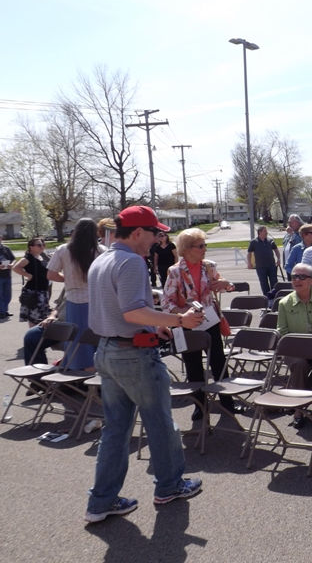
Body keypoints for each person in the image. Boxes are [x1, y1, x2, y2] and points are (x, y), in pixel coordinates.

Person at [85, 205, 205, 524]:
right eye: (154, 233)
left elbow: (122, 312)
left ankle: (100, 502)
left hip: (108, 349)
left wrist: (155, 325)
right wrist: (179, 320)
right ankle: (170, 486)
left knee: (115, 429)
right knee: (160, 423)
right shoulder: (131, 262)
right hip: (132, 354)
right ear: (137, 232)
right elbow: (132, 312)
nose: (156, 239)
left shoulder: (102, 259)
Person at [162, 228, 237, 422]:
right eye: (200, 246)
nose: (204, 249)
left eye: (205, 245)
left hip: (209, 320)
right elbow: (167, 302)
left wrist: (226, 284)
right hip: (187, 323)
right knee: (193, 366)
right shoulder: (175, 271)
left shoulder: (209, 266)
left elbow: (226, 287)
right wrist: (183, 314)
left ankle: (227, 402)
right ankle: (199, 406)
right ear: (187, 249)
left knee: (218, 362)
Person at [276, 262, 312, 428]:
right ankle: (299, 410)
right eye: (294, 276)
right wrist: (300, 347)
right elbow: (282, 331)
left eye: (302, 276)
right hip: (295, 350)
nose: (297, 280)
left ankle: (302, 399)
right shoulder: (284, 303)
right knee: (299, 364)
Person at [46, 219, 106, 371]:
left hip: (74, 300)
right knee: (96, 337)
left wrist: (68, 278)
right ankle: (96, 370)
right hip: (96, 301)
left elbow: (51, 274)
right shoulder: (102, 251)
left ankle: (77, 369)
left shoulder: (63, 249)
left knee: (76, 339)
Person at [13, 237, 51, 327]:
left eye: (42, 244)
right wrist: (28, 275)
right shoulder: (28, 258)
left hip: (43, 291)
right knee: (34, 318)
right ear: (31, 247)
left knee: (43, 316)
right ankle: (33, 334)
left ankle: (39, 334)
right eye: (39, 245)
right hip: (34, 291)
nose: (42, 246)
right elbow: (15, 267)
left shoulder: (41, 257)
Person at [247, 225, 281, 296]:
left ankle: (275, 297)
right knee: (264, 283)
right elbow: (249, 253)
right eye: (264, 231)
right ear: (259, 232)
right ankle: (267, 297)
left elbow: (276, 250)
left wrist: (278, 259)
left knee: (274, 282)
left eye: (266, 231)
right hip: (260, 267)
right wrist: (249, 263)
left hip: (271, 265)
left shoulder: (270, 241)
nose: (266, 232)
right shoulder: (254, 242)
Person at [0, 233, 16, 319]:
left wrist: (12, 264)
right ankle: (1, 312)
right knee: (0, 295)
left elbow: (13, 259)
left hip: (7, 275)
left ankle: (5, 310)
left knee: (7, 295)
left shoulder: (6, 248)